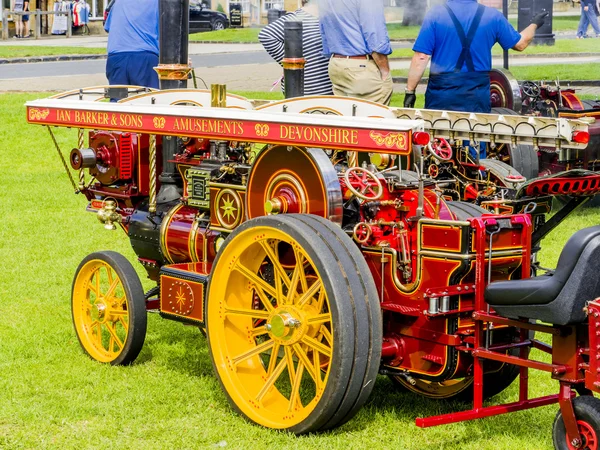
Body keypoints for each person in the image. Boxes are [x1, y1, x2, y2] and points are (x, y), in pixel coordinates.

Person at [404, 0, 548, 113]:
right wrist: (535, 24)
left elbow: (421, 56)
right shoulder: (493, 16)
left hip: (442, 95)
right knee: (475, 141)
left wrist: (410, 91)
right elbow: (520, 44)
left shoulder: (435, 14)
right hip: (476, 95)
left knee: (440, 145)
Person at [318, 0, 393, 105]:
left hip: (336, 63)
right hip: (360, 66)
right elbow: (375, 37)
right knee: (373, 116)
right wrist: (385, 72)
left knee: (346, 116)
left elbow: (324, 30)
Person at [258, 0, 333, 96]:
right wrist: (292, 62)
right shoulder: (298, 18)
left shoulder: (327, 18)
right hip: (308, 89)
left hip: (327, 87)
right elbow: (266, 35)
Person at [104, 0, 159, 89]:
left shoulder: (118, 2)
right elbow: (169, 32)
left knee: (118, 99)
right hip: (144, 57)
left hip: (116, 57)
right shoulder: (158, 3)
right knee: (146, 98)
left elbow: (108, 27)